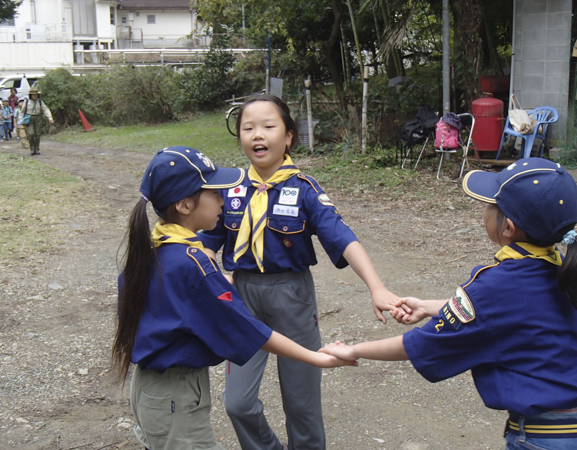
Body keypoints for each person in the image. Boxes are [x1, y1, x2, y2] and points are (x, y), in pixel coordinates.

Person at [320, 158, 577, 450]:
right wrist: (429, 306)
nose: (485, 211)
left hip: (542, 437)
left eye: (491, 205)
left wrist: (353, 350)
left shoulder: (496, 285)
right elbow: (515, 311)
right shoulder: (561, 266)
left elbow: (421, 344)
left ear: (508, 227)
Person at [112, 147, 356, 450]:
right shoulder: (193, 264)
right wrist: (316, 357)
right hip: (177, 395)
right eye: (214, 193)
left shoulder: (154, 250)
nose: (223, 199)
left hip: (150, 390)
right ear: (185, 204)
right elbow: (246, 329)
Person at [199, 94, 398, 450]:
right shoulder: (229, 190)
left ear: (289, 136)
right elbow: (202, 241)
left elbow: (342, 237)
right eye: (248, 128)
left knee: (301, 405)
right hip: (242, 298)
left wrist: (377, 287)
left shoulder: (304, 190)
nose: (257, 135)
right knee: (237, 404)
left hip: (292, 296)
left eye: (268, 126)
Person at [19, 86, 54, 155]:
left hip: (38, 118)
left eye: (36, 94)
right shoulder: (26, 102)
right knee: (31, 134)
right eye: (33, 94)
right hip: (30, 118)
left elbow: (45, 109)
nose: (35, 96)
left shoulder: (40, 102)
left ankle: (37, 148)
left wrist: (50, 117)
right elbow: (22, 112)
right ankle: (32, 148)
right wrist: (20, 119)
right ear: (30, 95)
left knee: (37, 134)